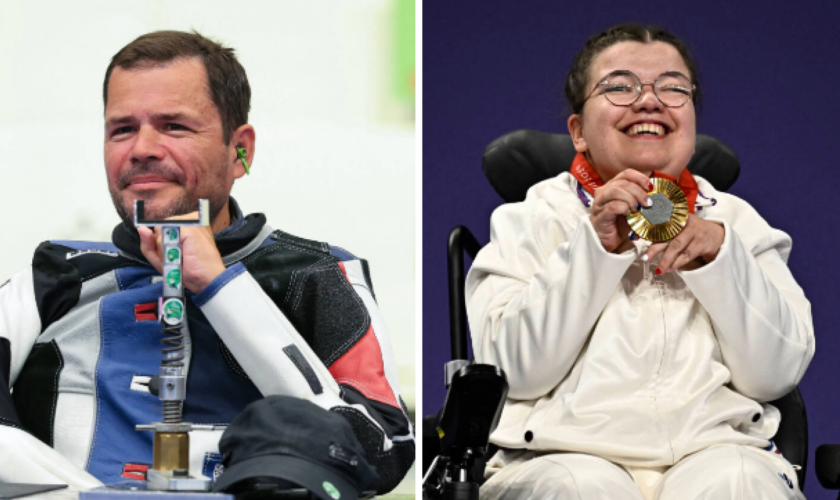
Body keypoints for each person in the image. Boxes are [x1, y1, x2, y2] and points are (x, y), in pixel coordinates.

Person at [0, 31, 414, 494]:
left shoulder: (316, 273)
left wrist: (220, 287)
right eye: (122, 129)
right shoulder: (53, 276)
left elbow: (380, 452)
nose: (142, 149)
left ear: (241, 152)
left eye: (174, 126)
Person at [466, 24, 813, 500]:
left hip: (715, 450)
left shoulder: (736, 225)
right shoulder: (529, 219)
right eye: (619, 86)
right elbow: (513, 372)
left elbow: (776, 374)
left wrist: (720, 262)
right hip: (561, 455)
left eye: (674, 88)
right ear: (578, 131)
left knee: (741, 484)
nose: (649, 101)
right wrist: (595, 249)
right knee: (583, 489)